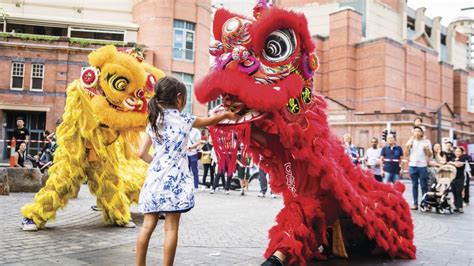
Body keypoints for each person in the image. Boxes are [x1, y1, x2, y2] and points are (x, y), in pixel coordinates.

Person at [135, 77, 236, 266]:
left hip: (154, 180)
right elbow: (210, 120)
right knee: (171, 228)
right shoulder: (185, 119)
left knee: (147, 226)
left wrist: (156, 164)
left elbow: (141, 153)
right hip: (177, 182)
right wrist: (226, 115)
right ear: (180, 98)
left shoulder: (153, 120)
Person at [405, 126, 432, 210]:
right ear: (413, 133)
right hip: (413, 166)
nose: (417, 132)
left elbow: (430, 154)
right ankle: (415, 204)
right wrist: (407, 147)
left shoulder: (426, 142)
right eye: (415, 131)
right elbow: (406, 154)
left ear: (422, 133)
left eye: (418, 131)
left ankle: (425, 203)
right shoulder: (410, 141)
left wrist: (426, 149)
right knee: (414, 185)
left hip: (422, 166)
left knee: (424, 186)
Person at [448, 147, 467, 213]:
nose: (458, 153)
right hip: (453, 178)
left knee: (459, 192)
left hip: (460, 178)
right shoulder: (453, 158)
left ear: (461, 152)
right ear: (454, 152)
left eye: (459, 151)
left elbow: (459, 165)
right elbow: (448, 164)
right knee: (454, 192)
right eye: (456, 151)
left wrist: (452, 163)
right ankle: (456, 206)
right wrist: (452, 162)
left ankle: (460, 207)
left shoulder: (463, 158)